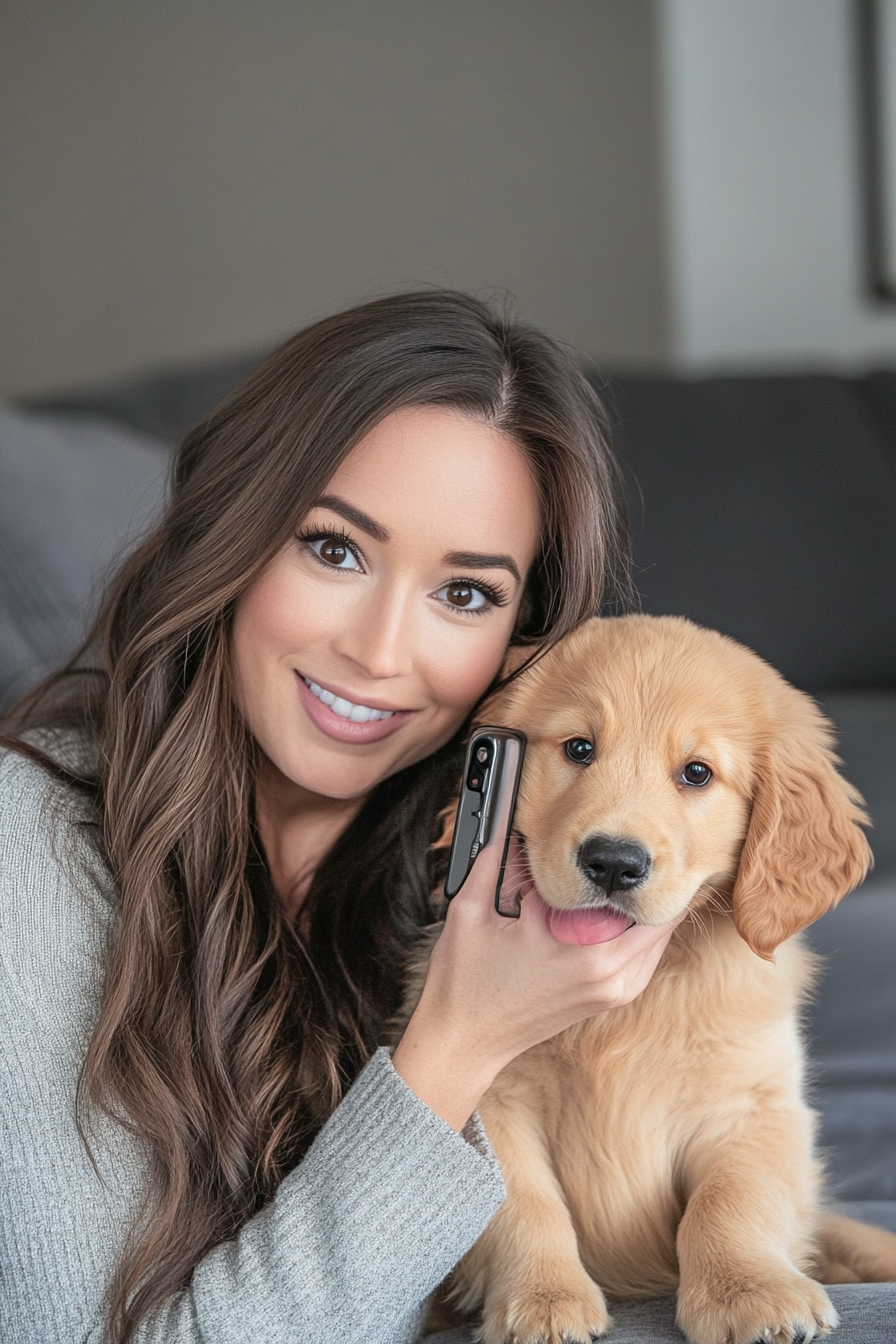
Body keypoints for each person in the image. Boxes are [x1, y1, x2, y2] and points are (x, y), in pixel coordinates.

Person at [0, 291, 682, 1344]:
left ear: (523, 642)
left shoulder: (473, 875)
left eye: (463, 595)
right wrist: (458, 1041)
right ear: (233, 535)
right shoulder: (25, 840)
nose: (377, 651)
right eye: (334, 549)